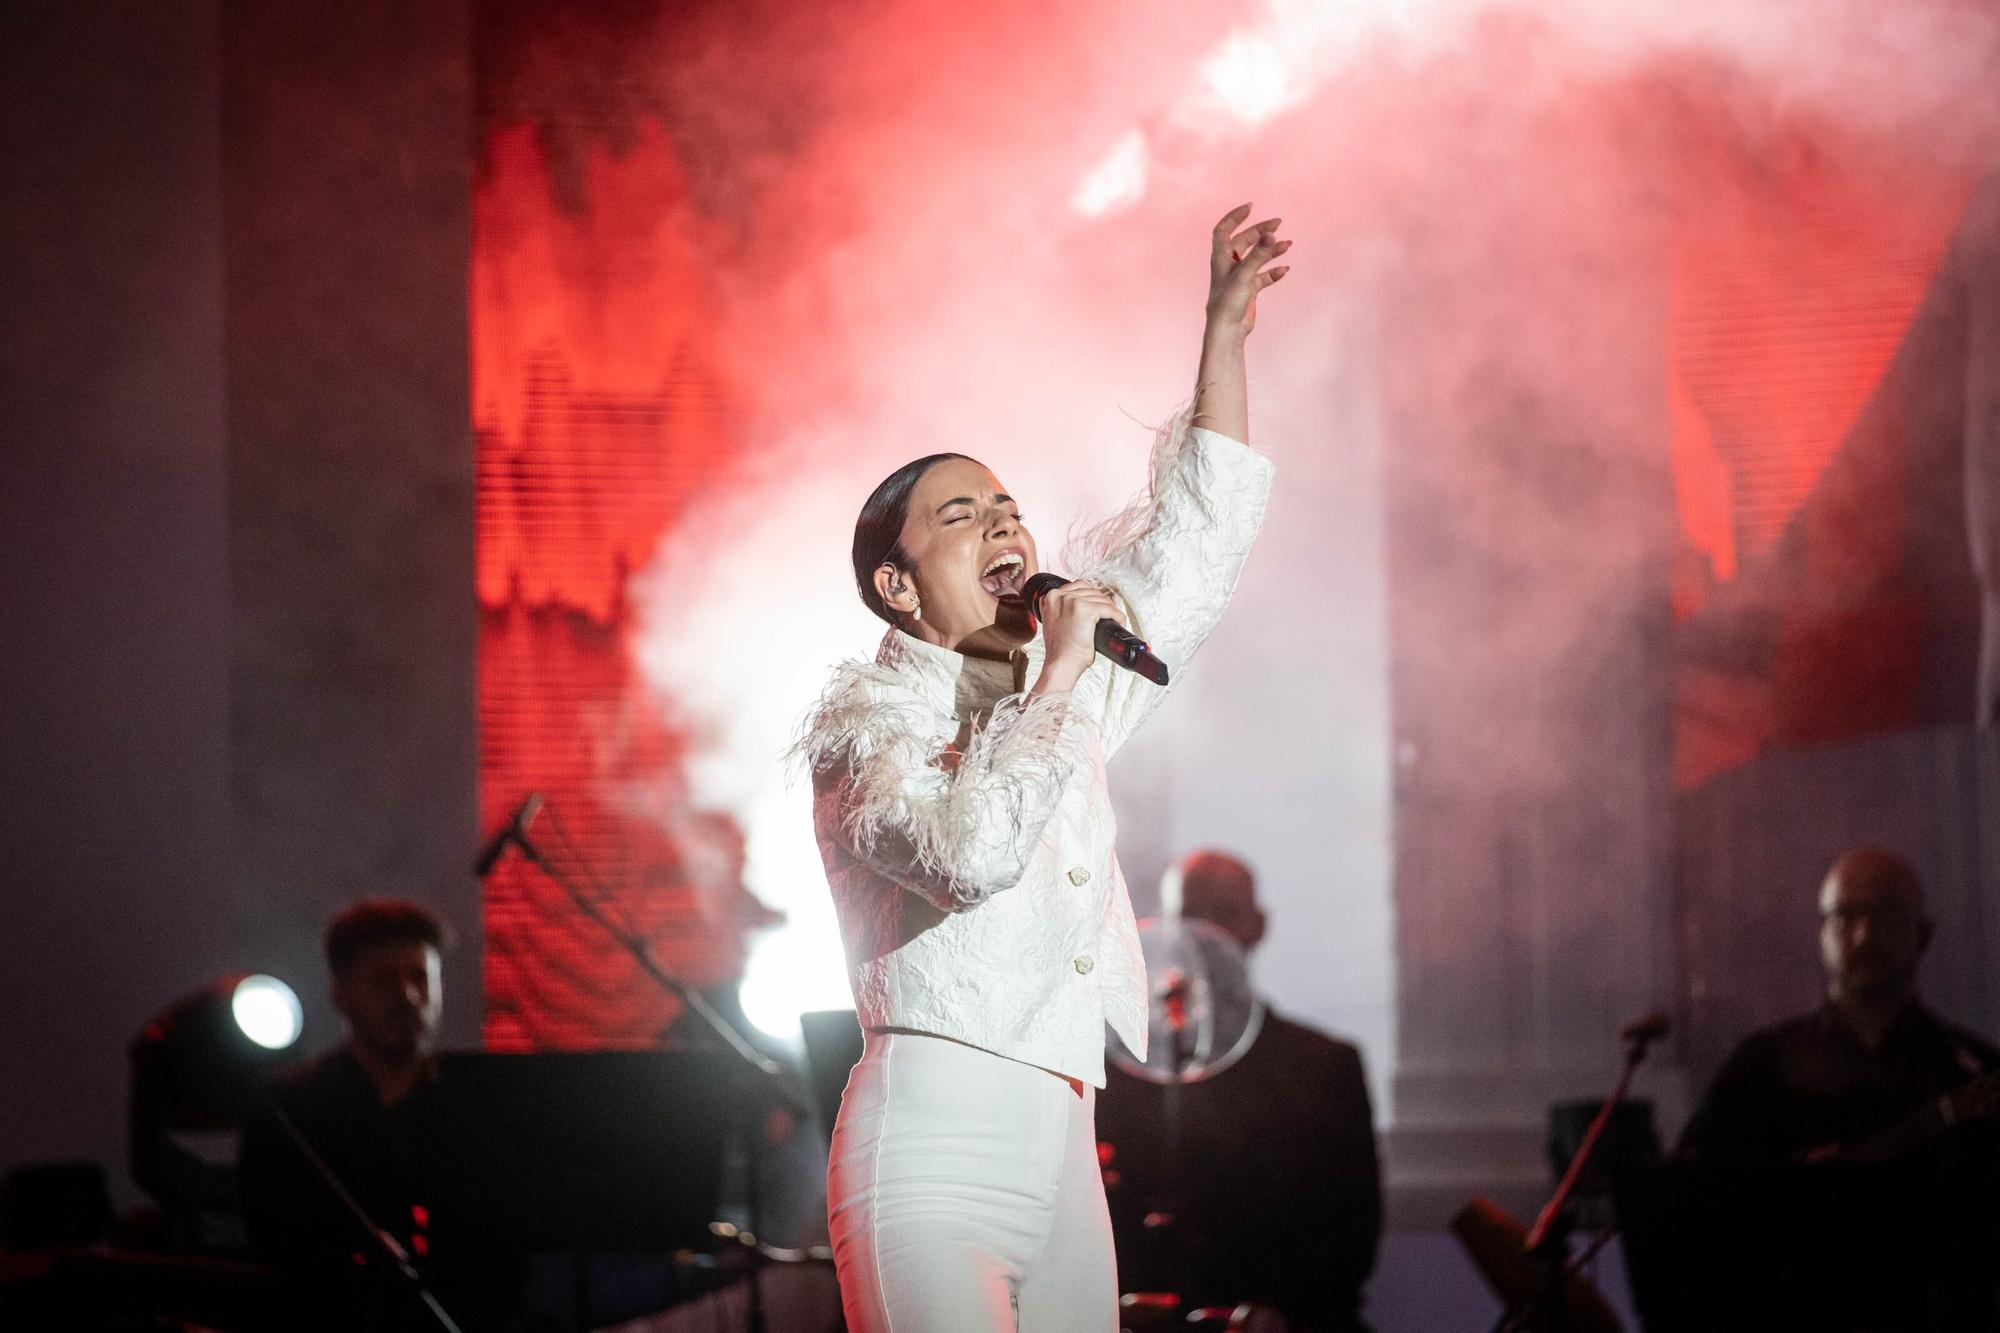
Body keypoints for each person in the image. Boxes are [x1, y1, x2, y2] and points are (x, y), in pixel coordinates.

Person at [798, 204, 1289, 1331]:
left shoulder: (1051, 692)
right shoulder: (858, 730)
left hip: (1067, 1154)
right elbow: (966, 855)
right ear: (898, 586)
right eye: (961, 516)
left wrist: (1222, 334)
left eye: (1007, 508)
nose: (1003, 525)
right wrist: (1060, 680)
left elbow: (1195, 543)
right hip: (928, 1158)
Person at [1096, 850, 1382, 1333]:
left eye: (1225, 913)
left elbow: (1351, 1227)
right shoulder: (1120, 1068)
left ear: (1258, 925)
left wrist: (1286, 1310)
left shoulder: (1323, 1066)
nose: (1207, 931)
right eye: (1189, 914)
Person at [237, 900, 527, 1331]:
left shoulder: (482, 1108)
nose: (408, 996)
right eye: (383, 980)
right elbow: (281, 1252)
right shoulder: (290, 1109)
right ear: (341, 994)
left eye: (420, 977)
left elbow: (508, 1259)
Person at [1677, 847, 2000, 1165]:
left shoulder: (1974, 1070)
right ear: (1822, 933)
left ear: (1923, 933)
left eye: (1886, 914)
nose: (1864, 935)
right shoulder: (1761, 1066)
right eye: (1846, 915)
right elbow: (1690, 1190)